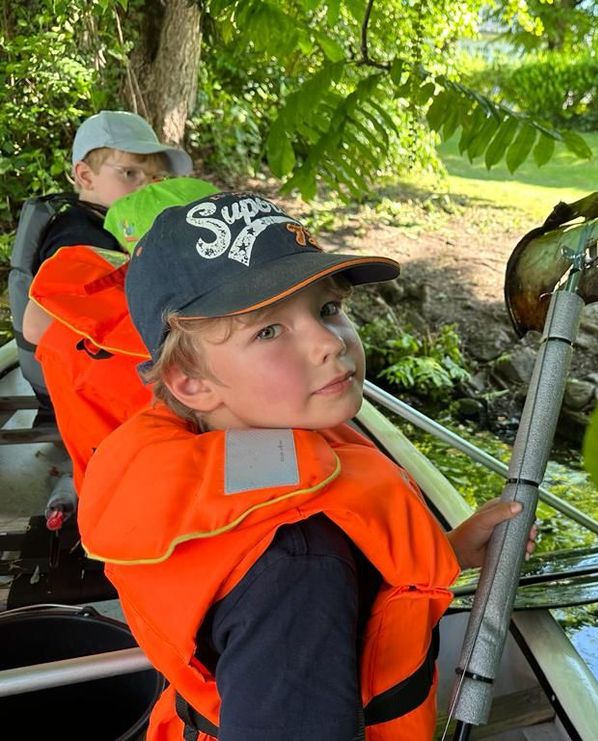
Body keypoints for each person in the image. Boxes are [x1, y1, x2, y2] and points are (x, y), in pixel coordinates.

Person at [78, 192, 533, 740]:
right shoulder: (299, 565)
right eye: (269, 330)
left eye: (328, 309)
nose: (328, 343)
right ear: (190, 383)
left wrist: (451, 550)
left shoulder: (223, 458)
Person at [26, 178, 219, 520]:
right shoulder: (186, 346)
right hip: (185, 512)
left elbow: (33, 327)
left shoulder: (60, 330)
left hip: (106, 507)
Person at [17, 110, 192, 413]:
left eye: (155, 178)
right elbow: (38, 324)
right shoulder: (80, 234)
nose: (146, 187)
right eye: (130, 173)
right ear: (85, 175)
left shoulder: (113, 224)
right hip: (81, 388)